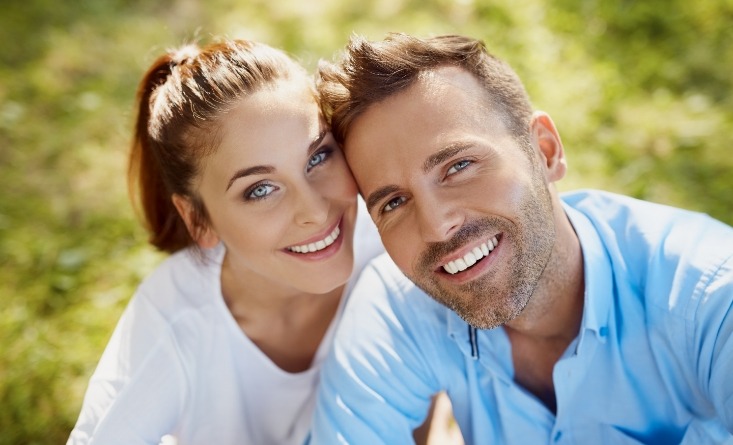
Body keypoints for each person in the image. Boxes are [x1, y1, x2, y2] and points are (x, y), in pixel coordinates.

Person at [309, 33, 733, 444]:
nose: (437, 226)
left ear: (545, 151)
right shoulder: (399, 308)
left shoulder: (710, 295)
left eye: (459, 166)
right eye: (395, 202)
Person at [66, 38, 387, 445]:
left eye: (318, 156)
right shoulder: (173, 324)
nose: (316, 211)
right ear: (198, 219)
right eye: (260, 190)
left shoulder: (388, 245)